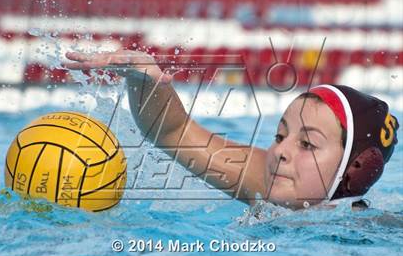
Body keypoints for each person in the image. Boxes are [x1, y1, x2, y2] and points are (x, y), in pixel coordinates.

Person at [64, 49, 399, 209]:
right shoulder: (266, 181)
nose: (280, 151)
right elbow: (173, 132)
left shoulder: (374, 231)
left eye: (308, 144)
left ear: (357, 172)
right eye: (280, 136)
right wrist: (144, 80)